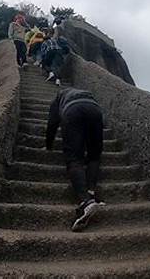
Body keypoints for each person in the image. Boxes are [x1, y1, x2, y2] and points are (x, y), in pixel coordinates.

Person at [45, 88, 105, 232]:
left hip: (72, 110)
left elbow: (52, 122)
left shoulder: (59, 97)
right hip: (95, 109)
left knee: (74, 158)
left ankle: (85, 201)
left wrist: (48, 146)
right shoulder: (86, 92)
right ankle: (91, 191)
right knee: (94, 155)